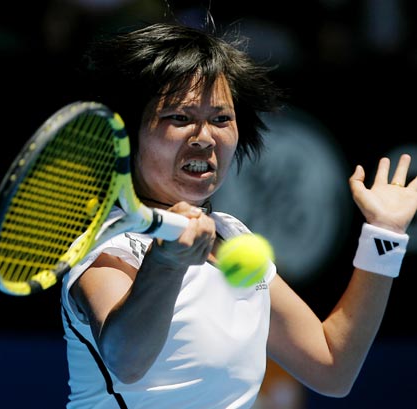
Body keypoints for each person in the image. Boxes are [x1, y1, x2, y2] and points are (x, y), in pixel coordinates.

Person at [60, 21, 417, 408]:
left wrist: (384, 236)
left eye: (220, 119)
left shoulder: (232, 235)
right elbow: (126, 361)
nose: (204, 136)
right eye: (179, 118)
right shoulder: (105, 246)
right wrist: (165, 262)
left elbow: (333, 368)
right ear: (131, 133)